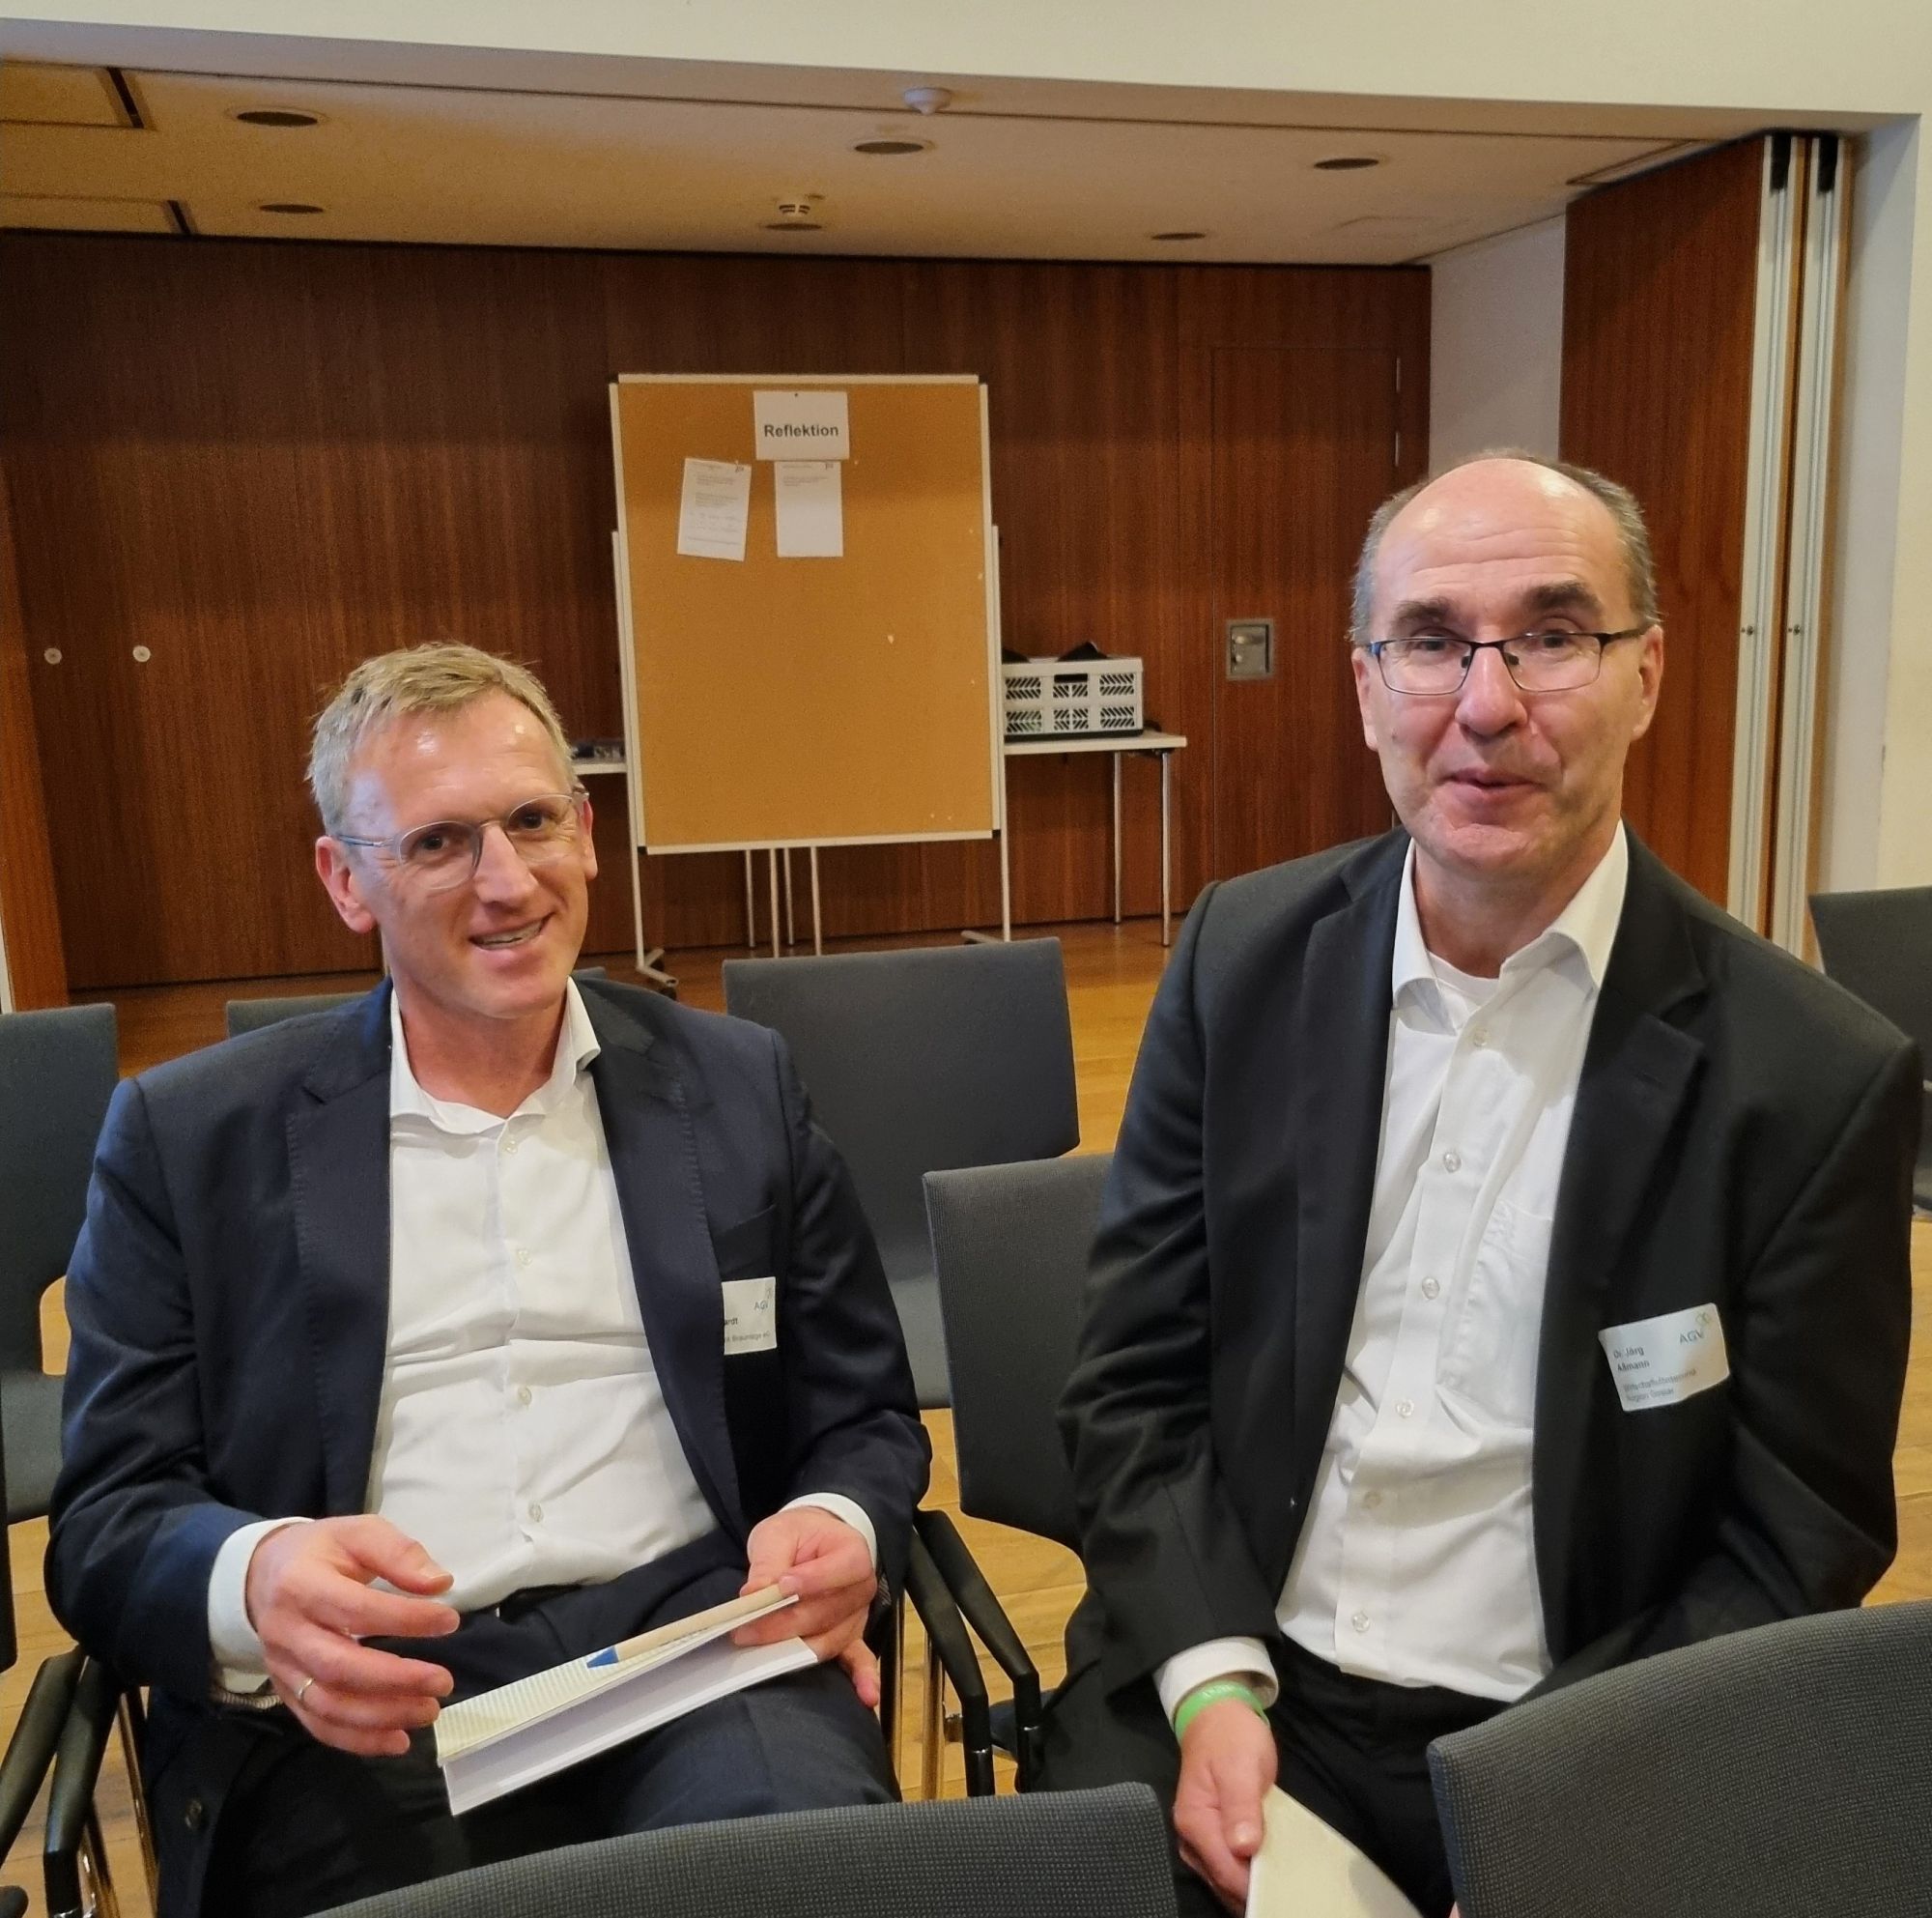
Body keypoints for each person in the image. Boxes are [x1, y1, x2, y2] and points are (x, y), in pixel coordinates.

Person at [1040, 453, 1919, 1916]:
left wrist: (1567, 1800)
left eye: (1553, 636)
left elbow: (1797, 1537)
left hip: (1591, 1721)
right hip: (1235, 1673)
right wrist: (1208, 1681)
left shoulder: (1810, 1078)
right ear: (1367, 686)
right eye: (1432, 641)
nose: (1487, 704)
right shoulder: (1238, 961)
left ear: (1646, 674)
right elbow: (1131, 1380)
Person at [49, 644, 928, 1918]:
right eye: (438, 842)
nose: (507, 882)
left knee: (804, 1885)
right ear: (345, 881)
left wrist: (841, 1521)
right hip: (378, 1689)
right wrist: (254, 1577)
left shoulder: (739, 1085)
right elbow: (107, 1522)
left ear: (587, 831)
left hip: (694, 1650)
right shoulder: (187, 1139)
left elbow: (863, 1411)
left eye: (530, 821)